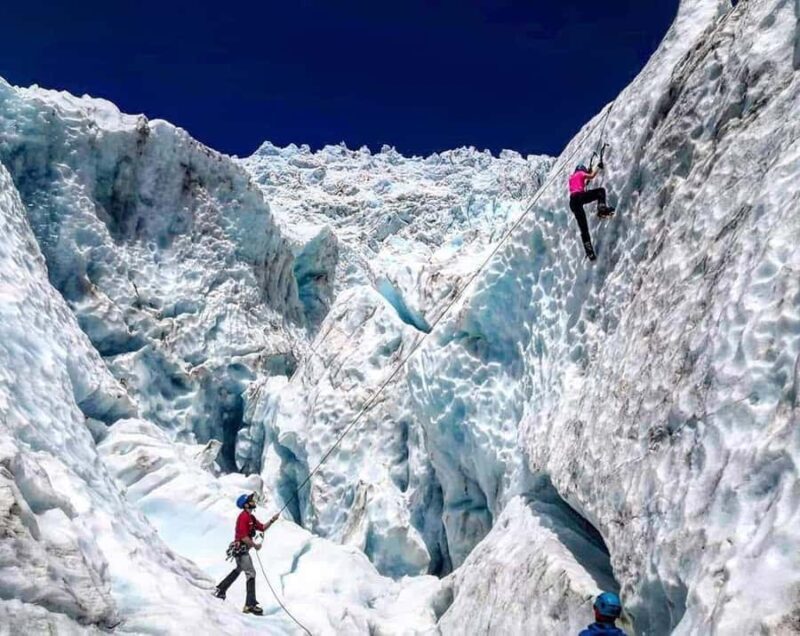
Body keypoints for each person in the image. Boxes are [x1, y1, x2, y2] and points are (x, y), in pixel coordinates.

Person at [213, 493, 279, 615]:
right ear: (246, 504)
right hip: (241, 550)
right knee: (251, 573)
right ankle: (250, 605)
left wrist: (272, 520)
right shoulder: (243, 517)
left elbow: (262, 527)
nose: (253, 501)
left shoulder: (251, 518)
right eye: (250, 500)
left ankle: (221, 589)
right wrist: (255, 545)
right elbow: (243, 537)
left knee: (239, 569)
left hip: (243, 550)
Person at [569, 163, 615, 261]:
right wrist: (597, 167)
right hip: (580, 197)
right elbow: (592, 176)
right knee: (600, 191)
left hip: (572, 202)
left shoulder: (571, 177)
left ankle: (590, 253)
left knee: (583, 229)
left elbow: (581, 184)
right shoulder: (581, 173)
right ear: (582, 169)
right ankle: (602, 209)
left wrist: (586, 176)